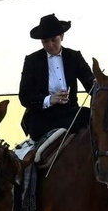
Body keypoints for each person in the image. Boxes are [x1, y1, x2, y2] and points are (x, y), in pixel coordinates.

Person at [17, 13, 95, 141]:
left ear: (62, 37)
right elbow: (24, 97)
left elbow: (90, 84)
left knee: (91, 117)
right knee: (37, 127)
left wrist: (100, 84)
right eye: (45, 41)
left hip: (70, 113)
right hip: (43, 116)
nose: (50, 45)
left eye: (54, 40)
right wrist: (49, 99)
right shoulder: (32, 61)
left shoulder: (73, 56)